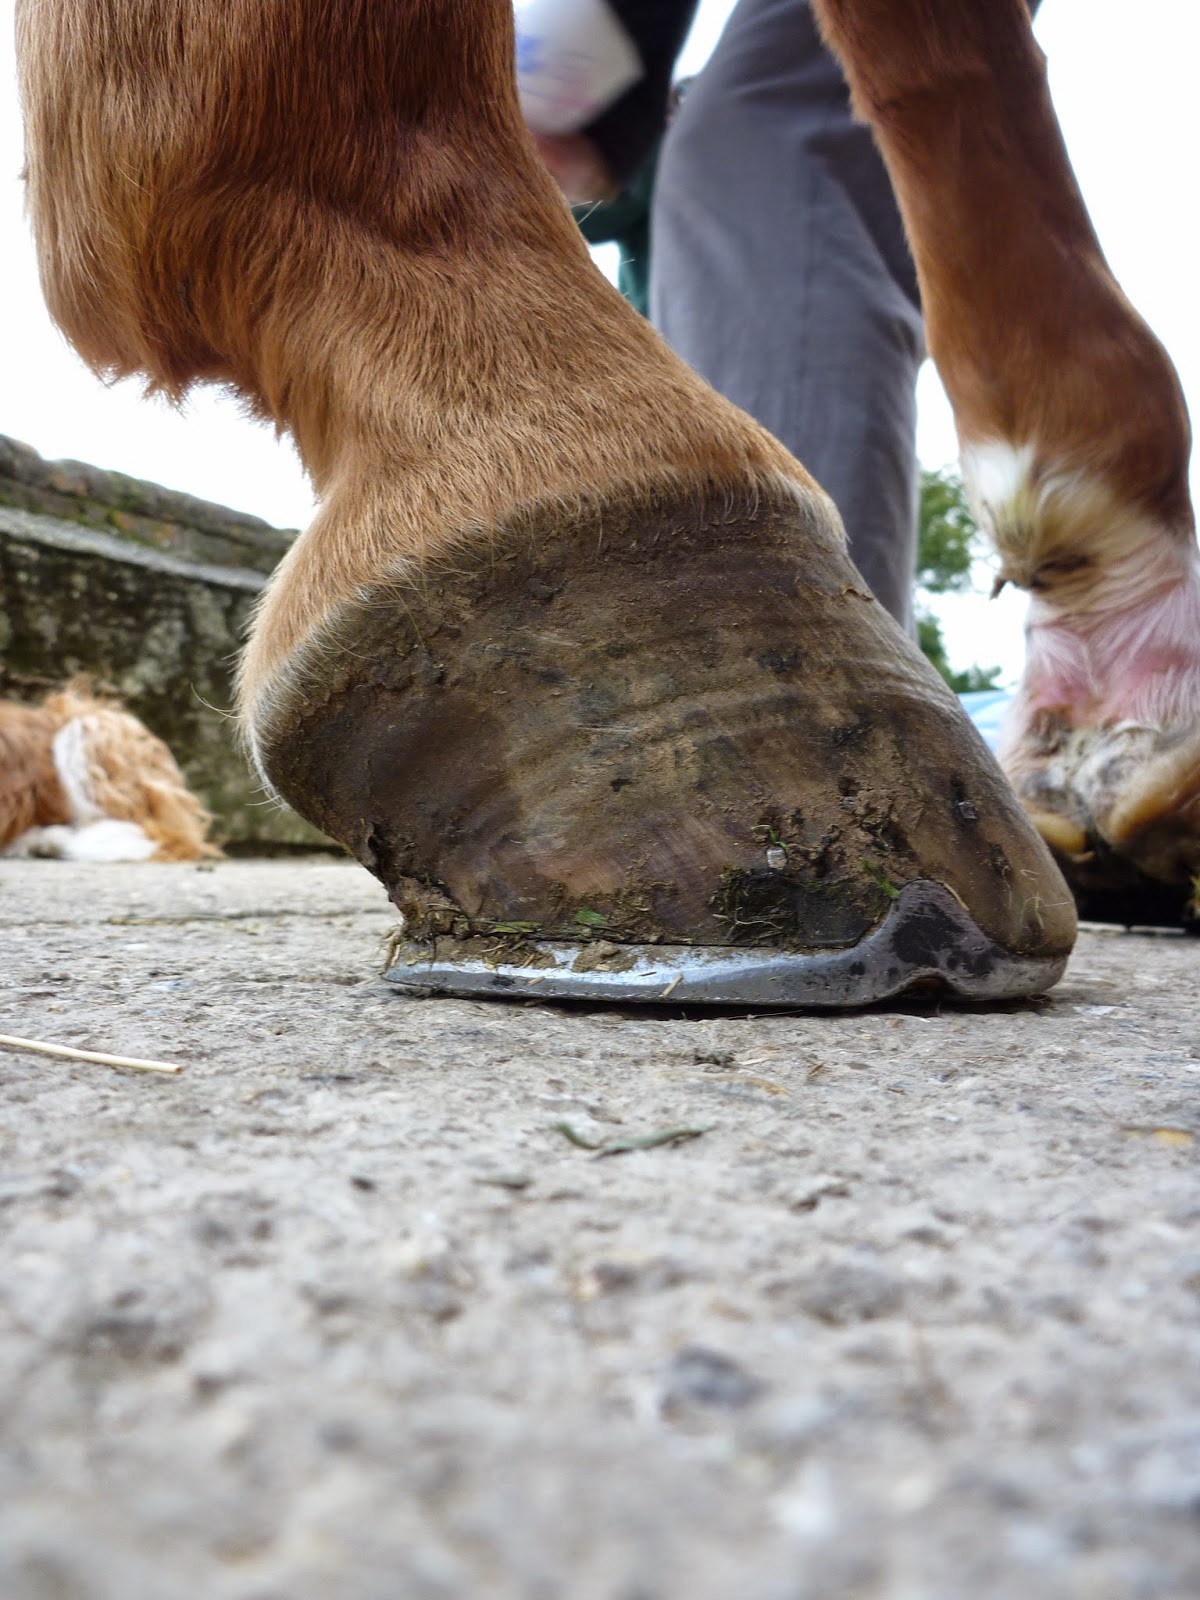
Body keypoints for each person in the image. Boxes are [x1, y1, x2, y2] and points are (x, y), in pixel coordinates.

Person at [532, 0, 929, 632]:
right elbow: (600, 211)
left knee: (760, 126)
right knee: (764, 127)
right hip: (685, 338)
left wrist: (599, 67)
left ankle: (809, 652)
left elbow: (606, 188)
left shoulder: (690, 118)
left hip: (730, 331)